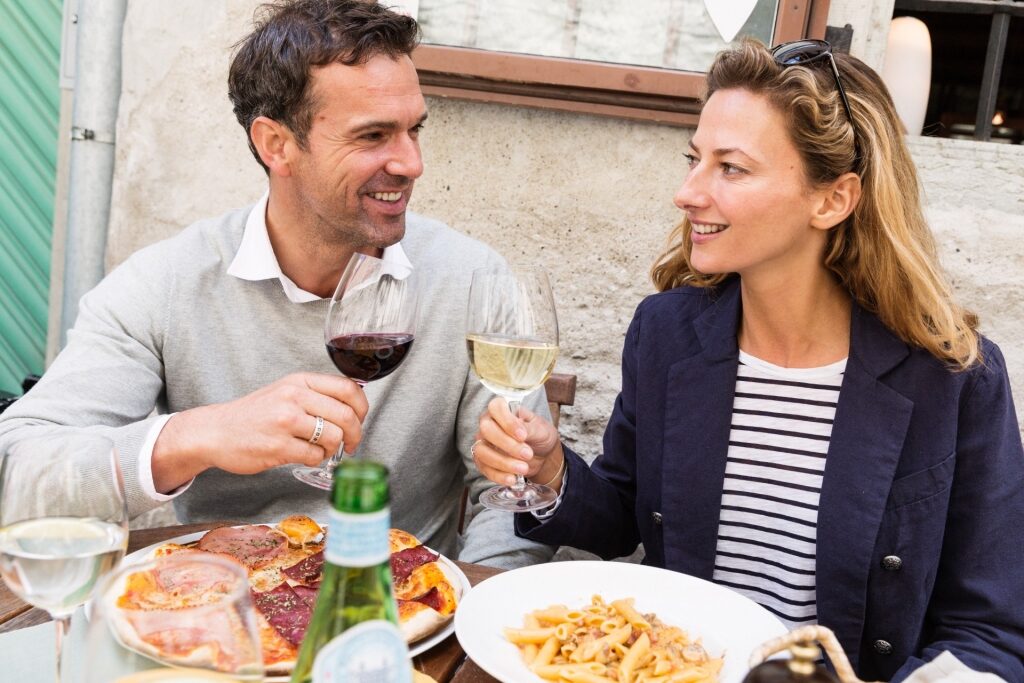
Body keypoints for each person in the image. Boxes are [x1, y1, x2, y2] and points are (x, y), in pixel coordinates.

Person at [472, 39, 1024, 680]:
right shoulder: (668, 332)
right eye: (694, 159)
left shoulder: (953, 378)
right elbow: (623, 513)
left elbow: (990, 631)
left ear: (832, 199)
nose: (687, 192)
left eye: (730, 168)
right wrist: (550, 471)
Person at [0, 0, 553, 569]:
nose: (411, 162)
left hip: (400, 615)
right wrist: (196, 435)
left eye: (414, 130)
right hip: (220, 609)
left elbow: (509, 499)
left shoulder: (470, 280)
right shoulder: (165, 282)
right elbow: (16, 469)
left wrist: (466, 625)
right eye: (373, 136)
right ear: (276, 144)